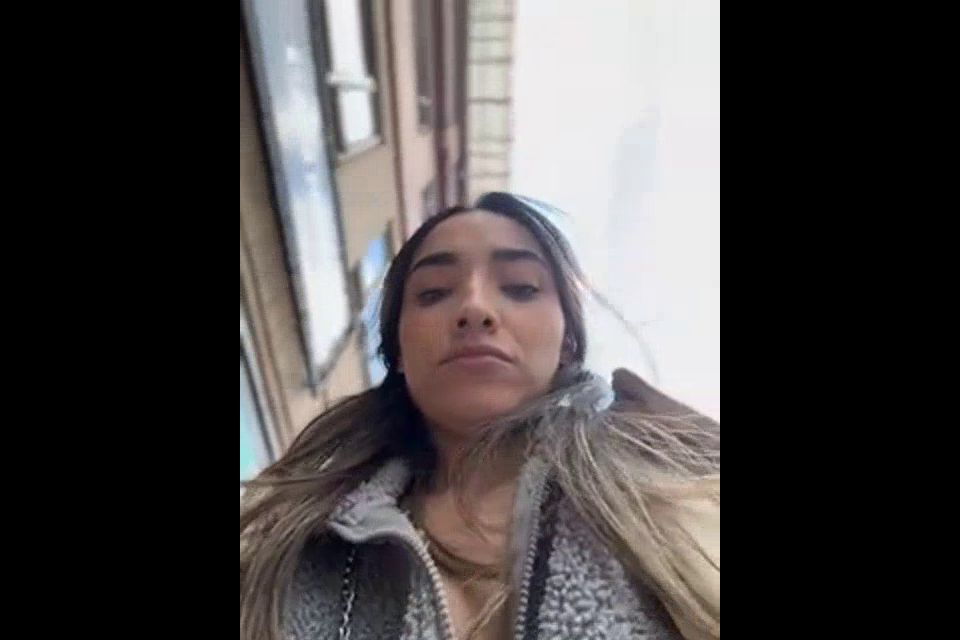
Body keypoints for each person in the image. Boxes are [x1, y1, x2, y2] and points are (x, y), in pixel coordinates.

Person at [240, 192, 720, 640]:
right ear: (398, 350)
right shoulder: (280, 552)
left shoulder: (682, 500)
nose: (474, 307)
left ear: (567, 343)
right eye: (433, 293)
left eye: (521, 287)